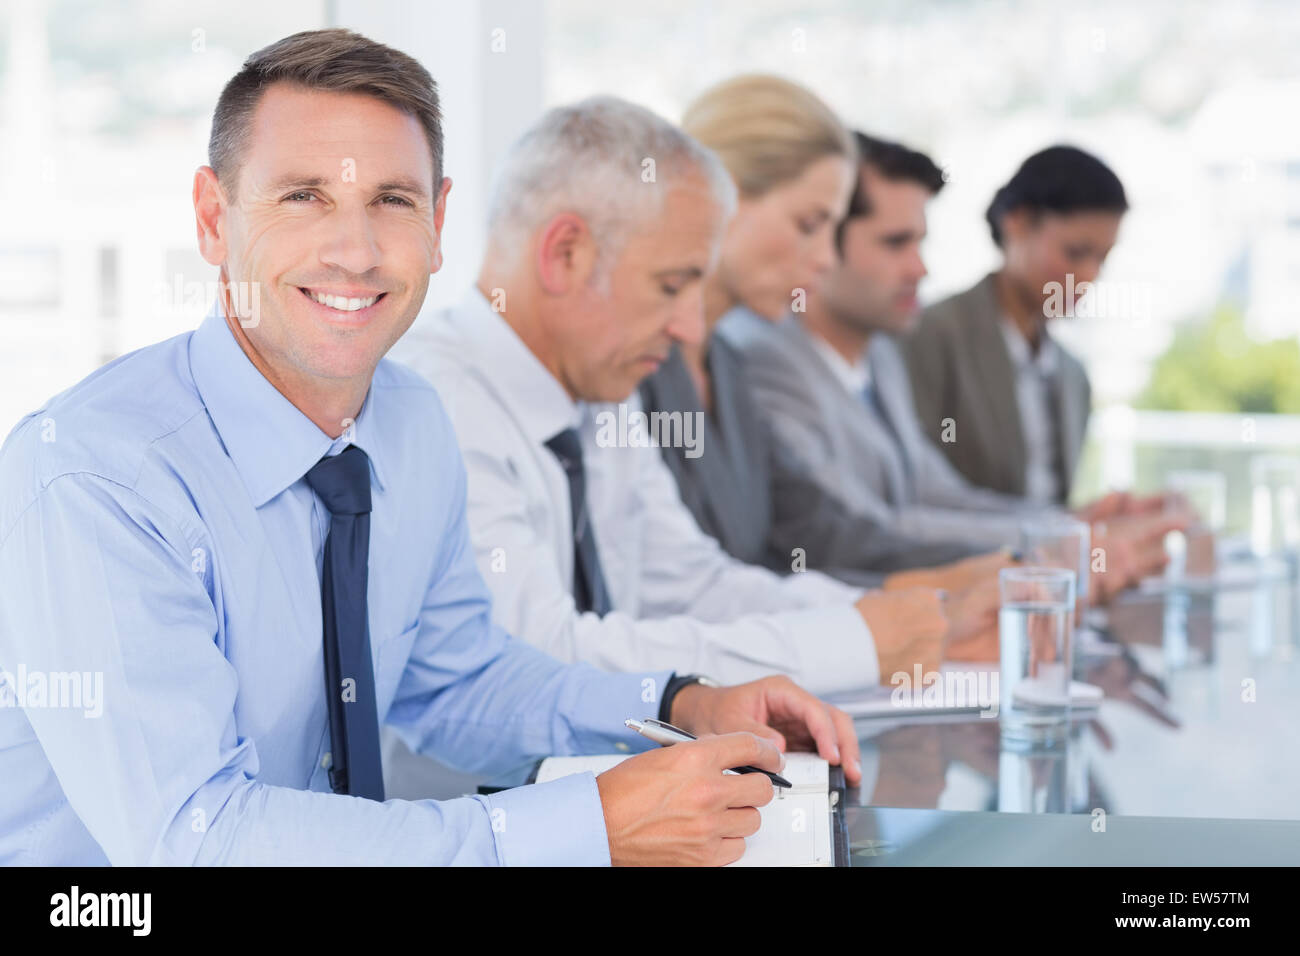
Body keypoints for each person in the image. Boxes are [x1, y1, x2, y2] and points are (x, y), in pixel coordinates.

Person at [0, 29, 862, 867]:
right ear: (211, 219)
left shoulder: (410, 420)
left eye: (393, 200)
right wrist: (588, 826)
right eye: (303, 196)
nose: (356, 251)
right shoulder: (94, 476)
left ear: (440, 220)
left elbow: (458, 683)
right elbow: (200, 838)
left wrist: (679, 702)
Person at [395, 95, 956, 700]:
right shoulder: (439, 401)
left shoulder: (602, 388)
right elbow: (541, 658)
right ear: (565, 254)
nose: (691, 327)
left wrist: (869, 617)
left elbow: (690, 584)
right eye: (671, 285)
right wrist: (851, 645)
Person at [739, 133, 1181, 598]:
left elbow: (935, 492)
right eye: (895, 243)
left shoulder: (883, 356)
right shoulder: (768, 361)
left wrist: (1065, 525)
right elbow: (857, 531)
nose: (919, 270)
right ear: (823, 238)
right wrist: (1061, 542)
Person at [643, 75, 1011, 592]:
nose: (824, 258)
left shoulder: (726, 366)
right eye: (808, 224)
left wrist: (982, 576)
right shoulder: (633, 367)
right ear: (720, 190)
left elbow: (820, 527)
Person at [902, 145, 1122, 507]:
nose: (1089, 276)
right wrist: (1058, 530)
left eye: (1102, 258)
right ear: (1016, 222)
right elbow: (917, 500)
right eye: (1076, 252)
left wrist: (1096, 522)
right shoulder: (929, 336)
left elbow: (1048, 506)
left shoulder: (1072, 374)